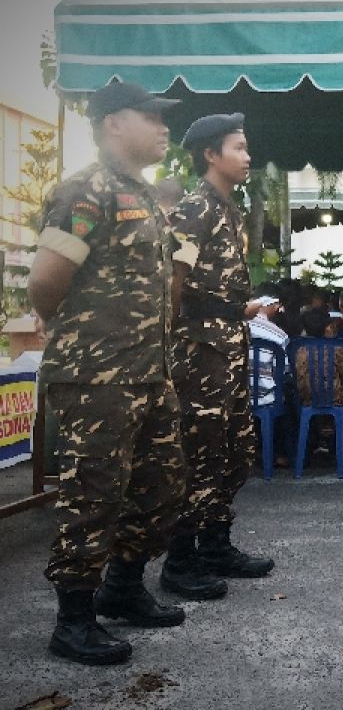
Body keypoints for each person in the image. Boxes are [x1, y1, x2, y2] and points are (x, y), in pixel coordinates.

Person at [30, 81, 187, 665]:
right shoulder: (85, 191)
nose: (163, 127)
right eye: (152, 117)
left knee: (161, 485)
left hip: (147, 374)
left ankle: (124, 587)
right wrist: (80, 341)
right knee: (93, 495)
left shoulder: (143, 196)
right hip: (97, 376)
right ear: (113, 123)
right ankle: (73, 619)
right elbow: (45, 282)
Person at [161, 113, 273, 602]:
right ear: (211, 154)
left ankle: (215, 544)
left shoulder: (229, 209)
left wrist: (239, 310)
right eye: (239, 148)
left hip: (226, 344)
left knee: (234, 451)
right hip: (197, 352)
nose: (248, 157)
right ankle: (180, 561)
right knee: (199, 454)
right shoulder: (194, 209)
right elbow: (172, 282)